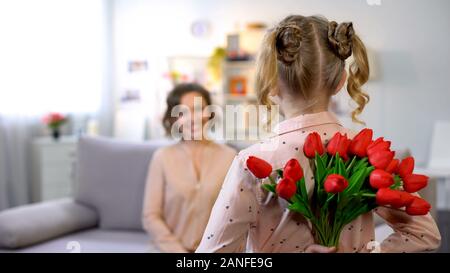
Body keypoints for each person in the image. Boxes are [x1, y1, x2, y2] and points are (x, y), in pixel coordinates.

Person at [196, 15, 441, 253]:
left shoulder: (250, 162)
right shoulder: (367, 155)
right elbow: (425, 234)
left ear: (270, 82)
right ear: (340, 81)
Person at [142, 83, 236, 252]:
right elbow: (151, 216)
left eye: (198, 109)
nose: (193, 118)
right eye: (183, 112)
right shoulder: (162, 157)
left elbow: (237, 214)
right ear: (174, 119)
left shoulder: (230, 157)